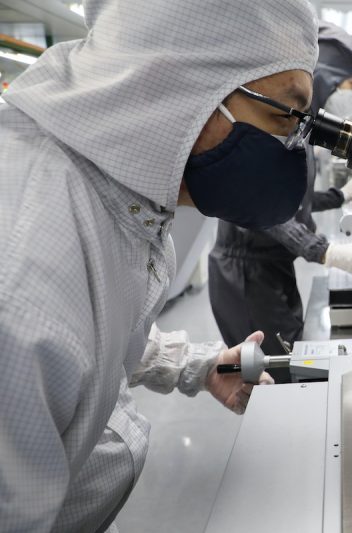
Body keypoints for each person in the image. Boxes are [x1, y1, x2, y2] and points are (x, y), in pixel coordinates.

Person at [0, 0, 319, 531]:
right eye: (284, 114)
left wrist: (200, 366)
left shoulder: (108, 199)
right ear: (180, 81)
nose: (289, 144)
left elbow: (94, 334)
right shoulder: (22, 277)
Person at [208, 22, 352, 366]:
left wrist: (340, 195)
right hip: (248, 276)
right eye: (350, 85)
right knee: (273, 378)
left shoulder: (299, 129)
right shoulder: (267, 125)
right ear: (325, 78)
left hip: (274, 266)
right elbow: (262, 209)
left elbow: (292, 201)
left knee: (290, 356)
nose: (351, 95)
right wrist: (326, 252)